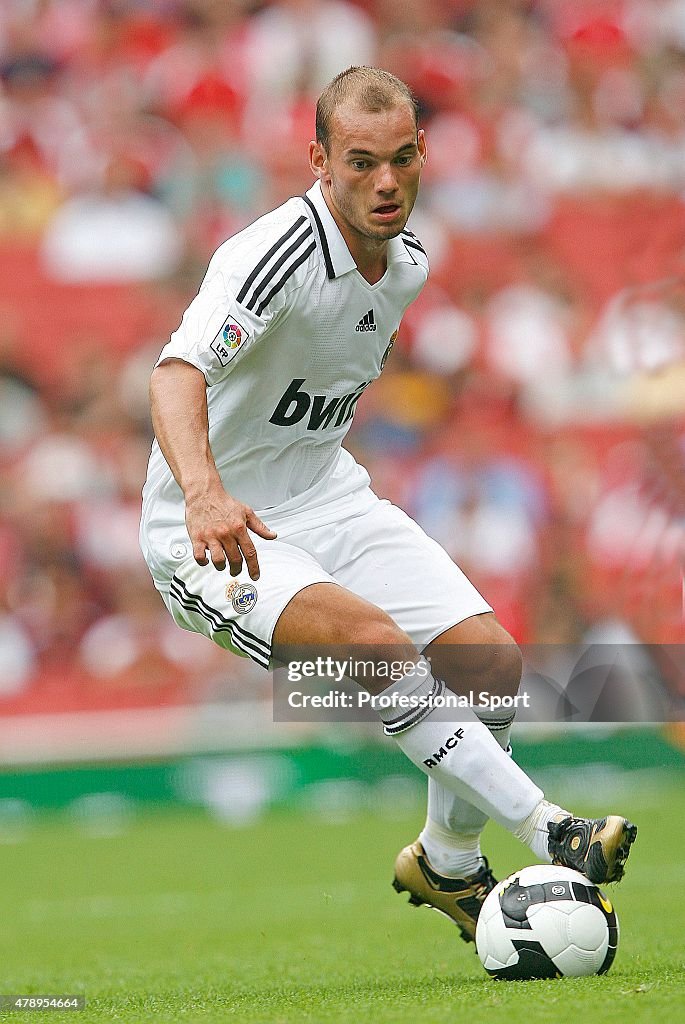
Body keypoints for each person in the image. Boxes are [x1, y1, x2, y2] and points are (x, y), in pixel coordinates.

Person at [140, 66, 636, 945]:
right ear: (318, 161)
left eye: (401, 160)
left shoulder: (406, 263)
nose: (384, 182)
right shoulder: (274, 254)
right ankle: (549, 829)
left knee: (490, 663)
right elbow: (177, 373)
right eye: (361, 162)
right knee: (375, 647)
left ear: (421, 155)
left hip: (328, 493)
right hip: (216, 531)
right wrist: (205, 493)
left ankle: (445, 860)